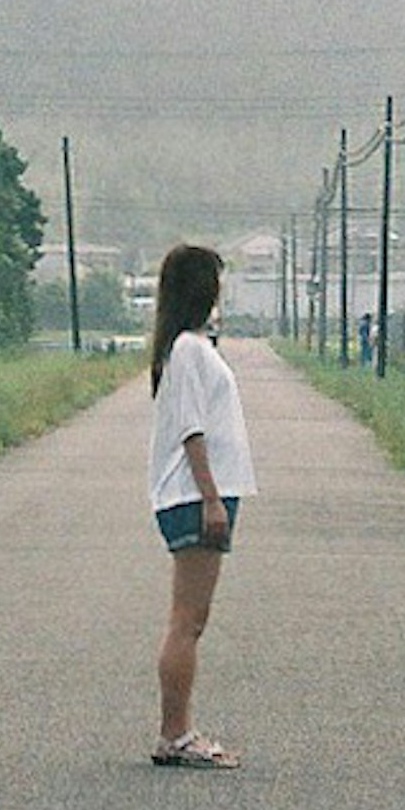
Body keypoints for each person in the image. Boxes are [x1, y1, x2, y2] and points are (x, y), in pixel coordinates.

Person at [144, 241, 254, 768]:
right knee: (187, 621)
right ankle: (176, 734)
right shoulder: (188, 348)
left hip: (202, 494)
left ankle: (176, 732)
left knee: (191, 619)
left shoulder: (188, 346)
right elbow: (192, 430)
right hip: (194, 496)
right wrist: (211, 498)